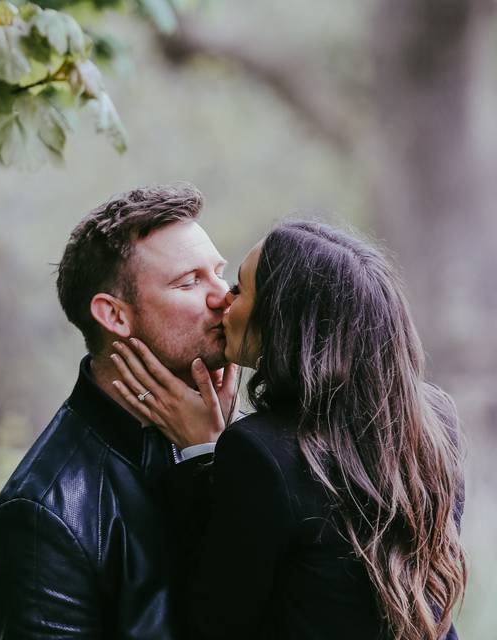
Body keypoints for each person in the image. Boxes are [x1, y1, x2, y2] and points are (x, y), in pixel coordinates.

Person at [111, 220, 466, 640]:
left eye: (240, 290)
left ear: (281, 319)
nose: (225, 298)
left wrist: (202, 456)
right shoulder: (436, 420)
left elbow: (213, 622)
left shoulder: (259, 453)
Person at [0, 184, 238, 638]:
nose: (224, 295)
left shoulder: (224, 440)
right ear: (115, 316)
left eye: (219, 272)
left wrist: (216, 457)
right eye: (190, 281)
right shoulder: (43, 516)